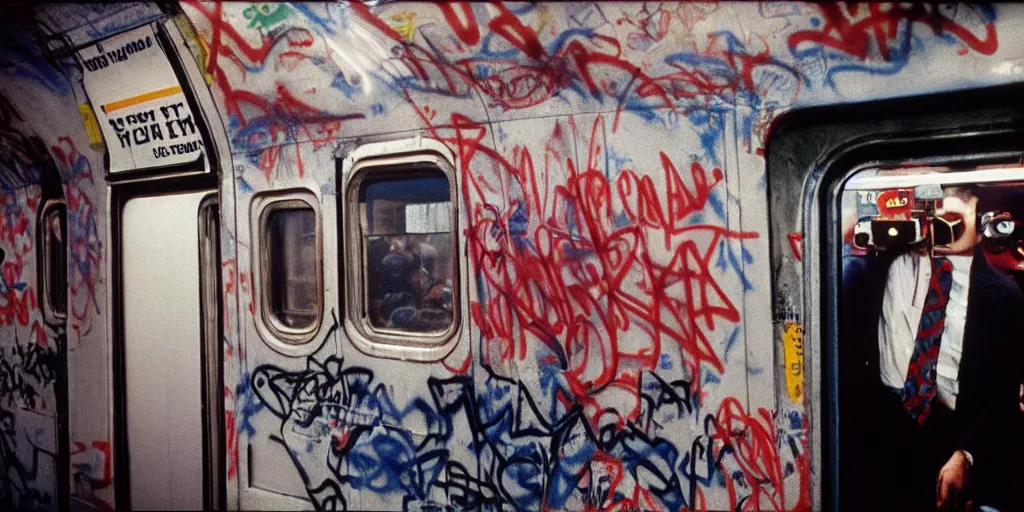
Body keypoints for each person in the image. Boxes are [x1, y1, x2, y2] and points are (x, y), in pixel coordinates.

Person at [840, 186, 1024, 511]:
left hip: (949, 436)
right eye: (935, 214)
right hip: (883, 423)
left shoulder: (1005, 298)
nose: (942, 226)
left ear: (981, 224)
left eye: (954, 217)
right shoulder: (883, 266)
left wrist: (968, 454)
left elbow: (1002, 396)